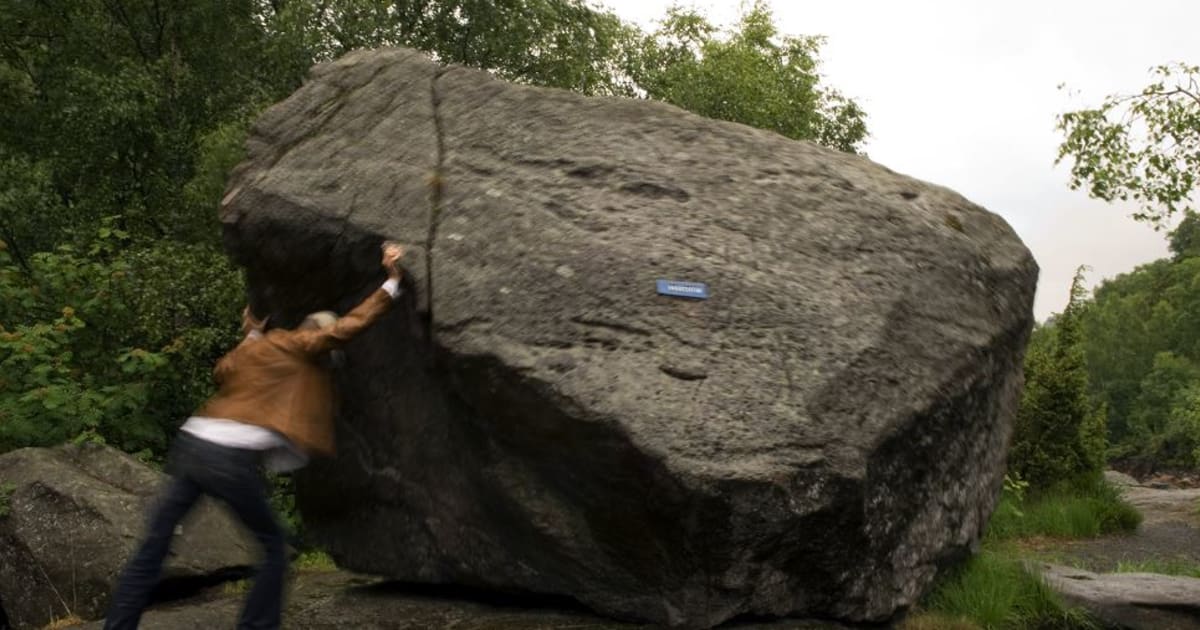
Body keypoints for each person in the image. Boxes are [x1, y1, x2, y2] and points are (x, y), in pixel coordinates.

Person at [104, 243, 407, 630]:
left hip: (192, 443)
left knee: (154, 547)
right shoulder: (303, 344)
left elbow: (223, 371)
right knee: (274, 551)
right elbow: (349, 326)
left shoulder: (262, 347)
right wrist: (392, 282)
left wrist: (251, 335)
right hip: (229, 458)